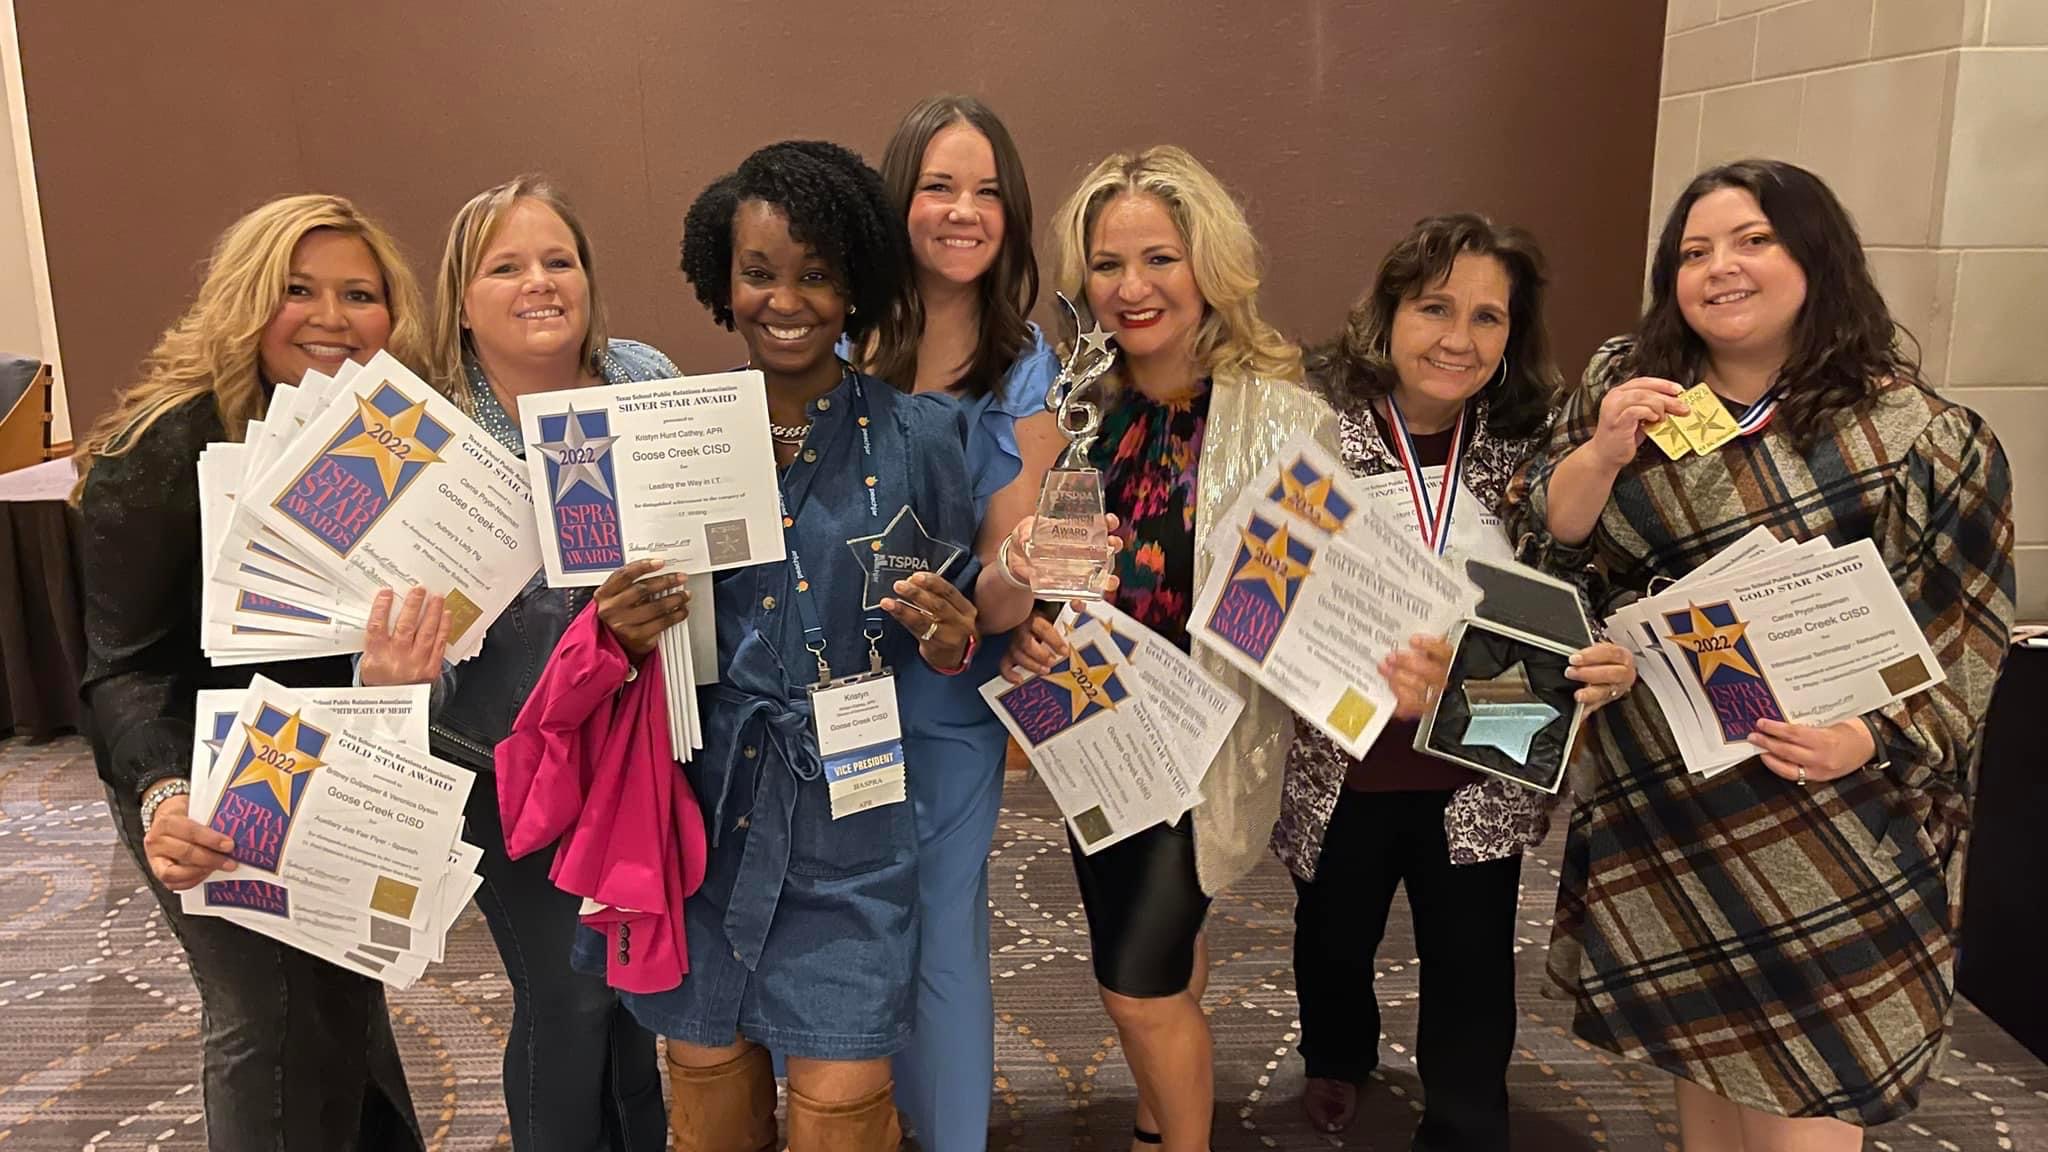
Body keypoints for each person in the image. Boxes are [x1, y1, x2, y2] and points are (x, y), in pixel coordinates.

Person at [1511, 159, 2014, 1150]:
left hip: (1825, 812)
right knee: (1705, 1075)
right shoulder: (1629, 393)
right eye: (1693, 251)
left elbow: (1964, 643)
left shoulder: (1917, 434)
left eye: (1751, 241)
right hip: (1668, 793)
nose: (1718, 268)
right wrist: (1604, 454)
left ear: (1814, 256)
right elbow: (1547, 547)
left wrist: (1860, 739)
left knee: (1810, 1103)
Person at [604, 139, 980, 1152]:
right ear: (720, 280)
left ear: (852, 282)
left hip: (848, 815)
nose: (786, 299)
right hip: (702, 805)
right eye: (760, 272)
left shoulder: (921, 438)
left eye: (814, 274)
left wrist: (952, 635)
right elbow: (614, 622)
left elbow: (955, 630)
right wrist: (619, 624)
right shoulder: (668, 432)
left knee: (842, 1097)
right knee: (705, 1070)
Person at [1269, 214, 1637, 1148]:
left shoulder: (1533, 446)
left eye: (1487, 318)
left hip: (1483, 753)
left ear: (1514, 336)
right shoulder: (1314, 428)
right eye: (1434, 309)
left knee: (1471, 955)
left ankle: (1468, 1116)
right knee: (1333, 936)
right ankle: (1336, 1055)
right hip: (1343, 747)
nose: (1457, 340)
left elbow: (1572, 582)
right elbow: (1267, 580)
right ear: (1387, 313)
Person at [74, 193, 428, 1151]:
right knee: (265, 1008)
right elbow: (121, 670)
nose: (331, 316)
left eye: (360, 293)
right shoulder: (158, 451)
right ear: (244, 300)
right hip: (199, 774)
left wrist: (393, 679)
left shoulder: (389, 443)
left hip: (333, 753)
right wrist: (163, 795)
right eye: (297, 289)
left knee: (346, 985)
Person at [1001, 145, 1332, 1152]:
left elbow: (1308, 613)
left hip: (1201, 749)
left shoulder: (1283, 421)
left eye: (1159, 259)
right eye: (1106, 264)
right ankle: (1157, 1110)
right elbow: (1054, 582)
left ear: (1209, 269)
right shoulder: (1081, 415)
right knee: (1157, 957)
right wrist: (1033, 633)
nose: (1131, 288)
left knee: (1133, 986)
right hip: (1096, 731)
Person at [358, 174, 675, 1151]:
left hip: (645, 748)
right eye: (506, 267)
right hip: (505, 762)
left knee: (635, 992)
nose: (538, 283)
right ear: (461, 297)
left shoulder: (645, 381)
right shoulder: (425, 437)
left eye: (557, 260)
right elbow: (415, 639)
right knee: (571, 994)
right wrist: (401, 685)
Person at [861, 94, 1061, 1152]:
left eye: (986, 191)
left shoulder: (1024, 366)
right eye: (938, 185)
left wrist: (1019, 582)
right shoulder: (833, 333)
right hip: (823, 694)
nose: (961, 211)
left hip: (945, 693)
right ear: (898, 198)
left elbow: (1001, 569)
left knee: (940, 933)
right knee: (837, 928)